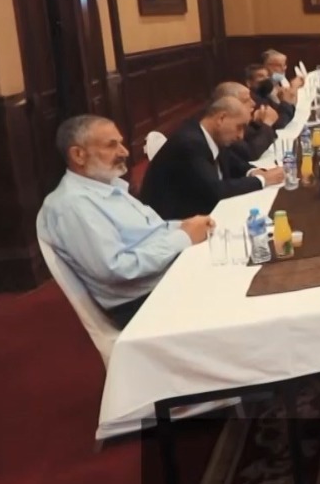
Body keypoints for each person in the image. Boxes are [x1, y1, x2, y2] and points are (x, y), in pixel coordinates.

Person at [37, 115, 214, 328]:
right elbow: (115, 268)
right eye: (111, 145)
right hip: (145, 301)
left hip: (167, 275)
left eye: (120, 143)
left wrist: (184, 226)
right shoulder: (72, 205)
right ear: (78, 155)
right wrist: (183, 238)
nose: (124, 152)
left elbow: (151, 231)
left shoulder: (106, 185)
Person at [140, 96, 284, 220]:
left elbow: (236, 165)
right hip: (174, 223)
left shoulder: (211, 135)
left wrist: (253, 172)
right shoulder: (190, 143)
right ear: (221, 118)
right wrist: (263, 180)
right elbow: (216, 191)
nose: (241, 136)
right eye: (239, 127)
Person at [214, 82, 280, 178]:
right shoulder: (225, 130)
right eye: (246, 100)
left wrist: (259, 124)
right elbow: (250, 152)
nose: (253, 103)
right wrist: (267, 124)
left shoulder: (247, 121)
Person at [246, 63, 295, 128]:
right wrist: (286, 102)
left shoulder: (265, 96)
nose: (266, 79)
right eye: (261, 76)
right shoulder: (251, 100)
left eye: (267, 76)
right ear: (249, 83)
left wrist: (285, 99)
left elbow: (286, 115)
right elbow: (279, 123)